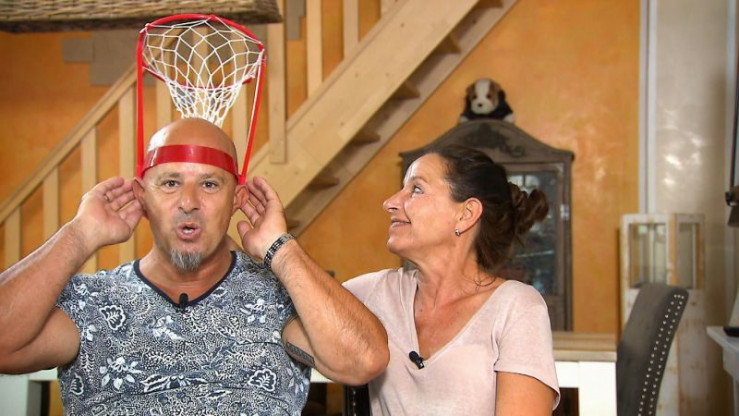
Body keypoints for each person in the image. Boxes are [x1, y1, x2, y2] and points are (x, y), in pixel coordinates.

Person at [0, 118, 389, 415]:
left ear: (236, 199)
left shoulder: (278, 302)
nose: (188, 202)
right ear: (141, 196)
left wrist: (281, 250)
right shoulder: (92, 303)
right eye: (170, 183)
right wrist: (79, 235)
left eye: (209, 185)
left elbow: (362, 362)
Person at [343, 144, 560, 415]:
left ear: (466, 214)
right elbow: (298, 305)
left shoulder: (516, 307)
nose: (390, 203)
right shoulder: (375, 292)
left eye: (416, 189)